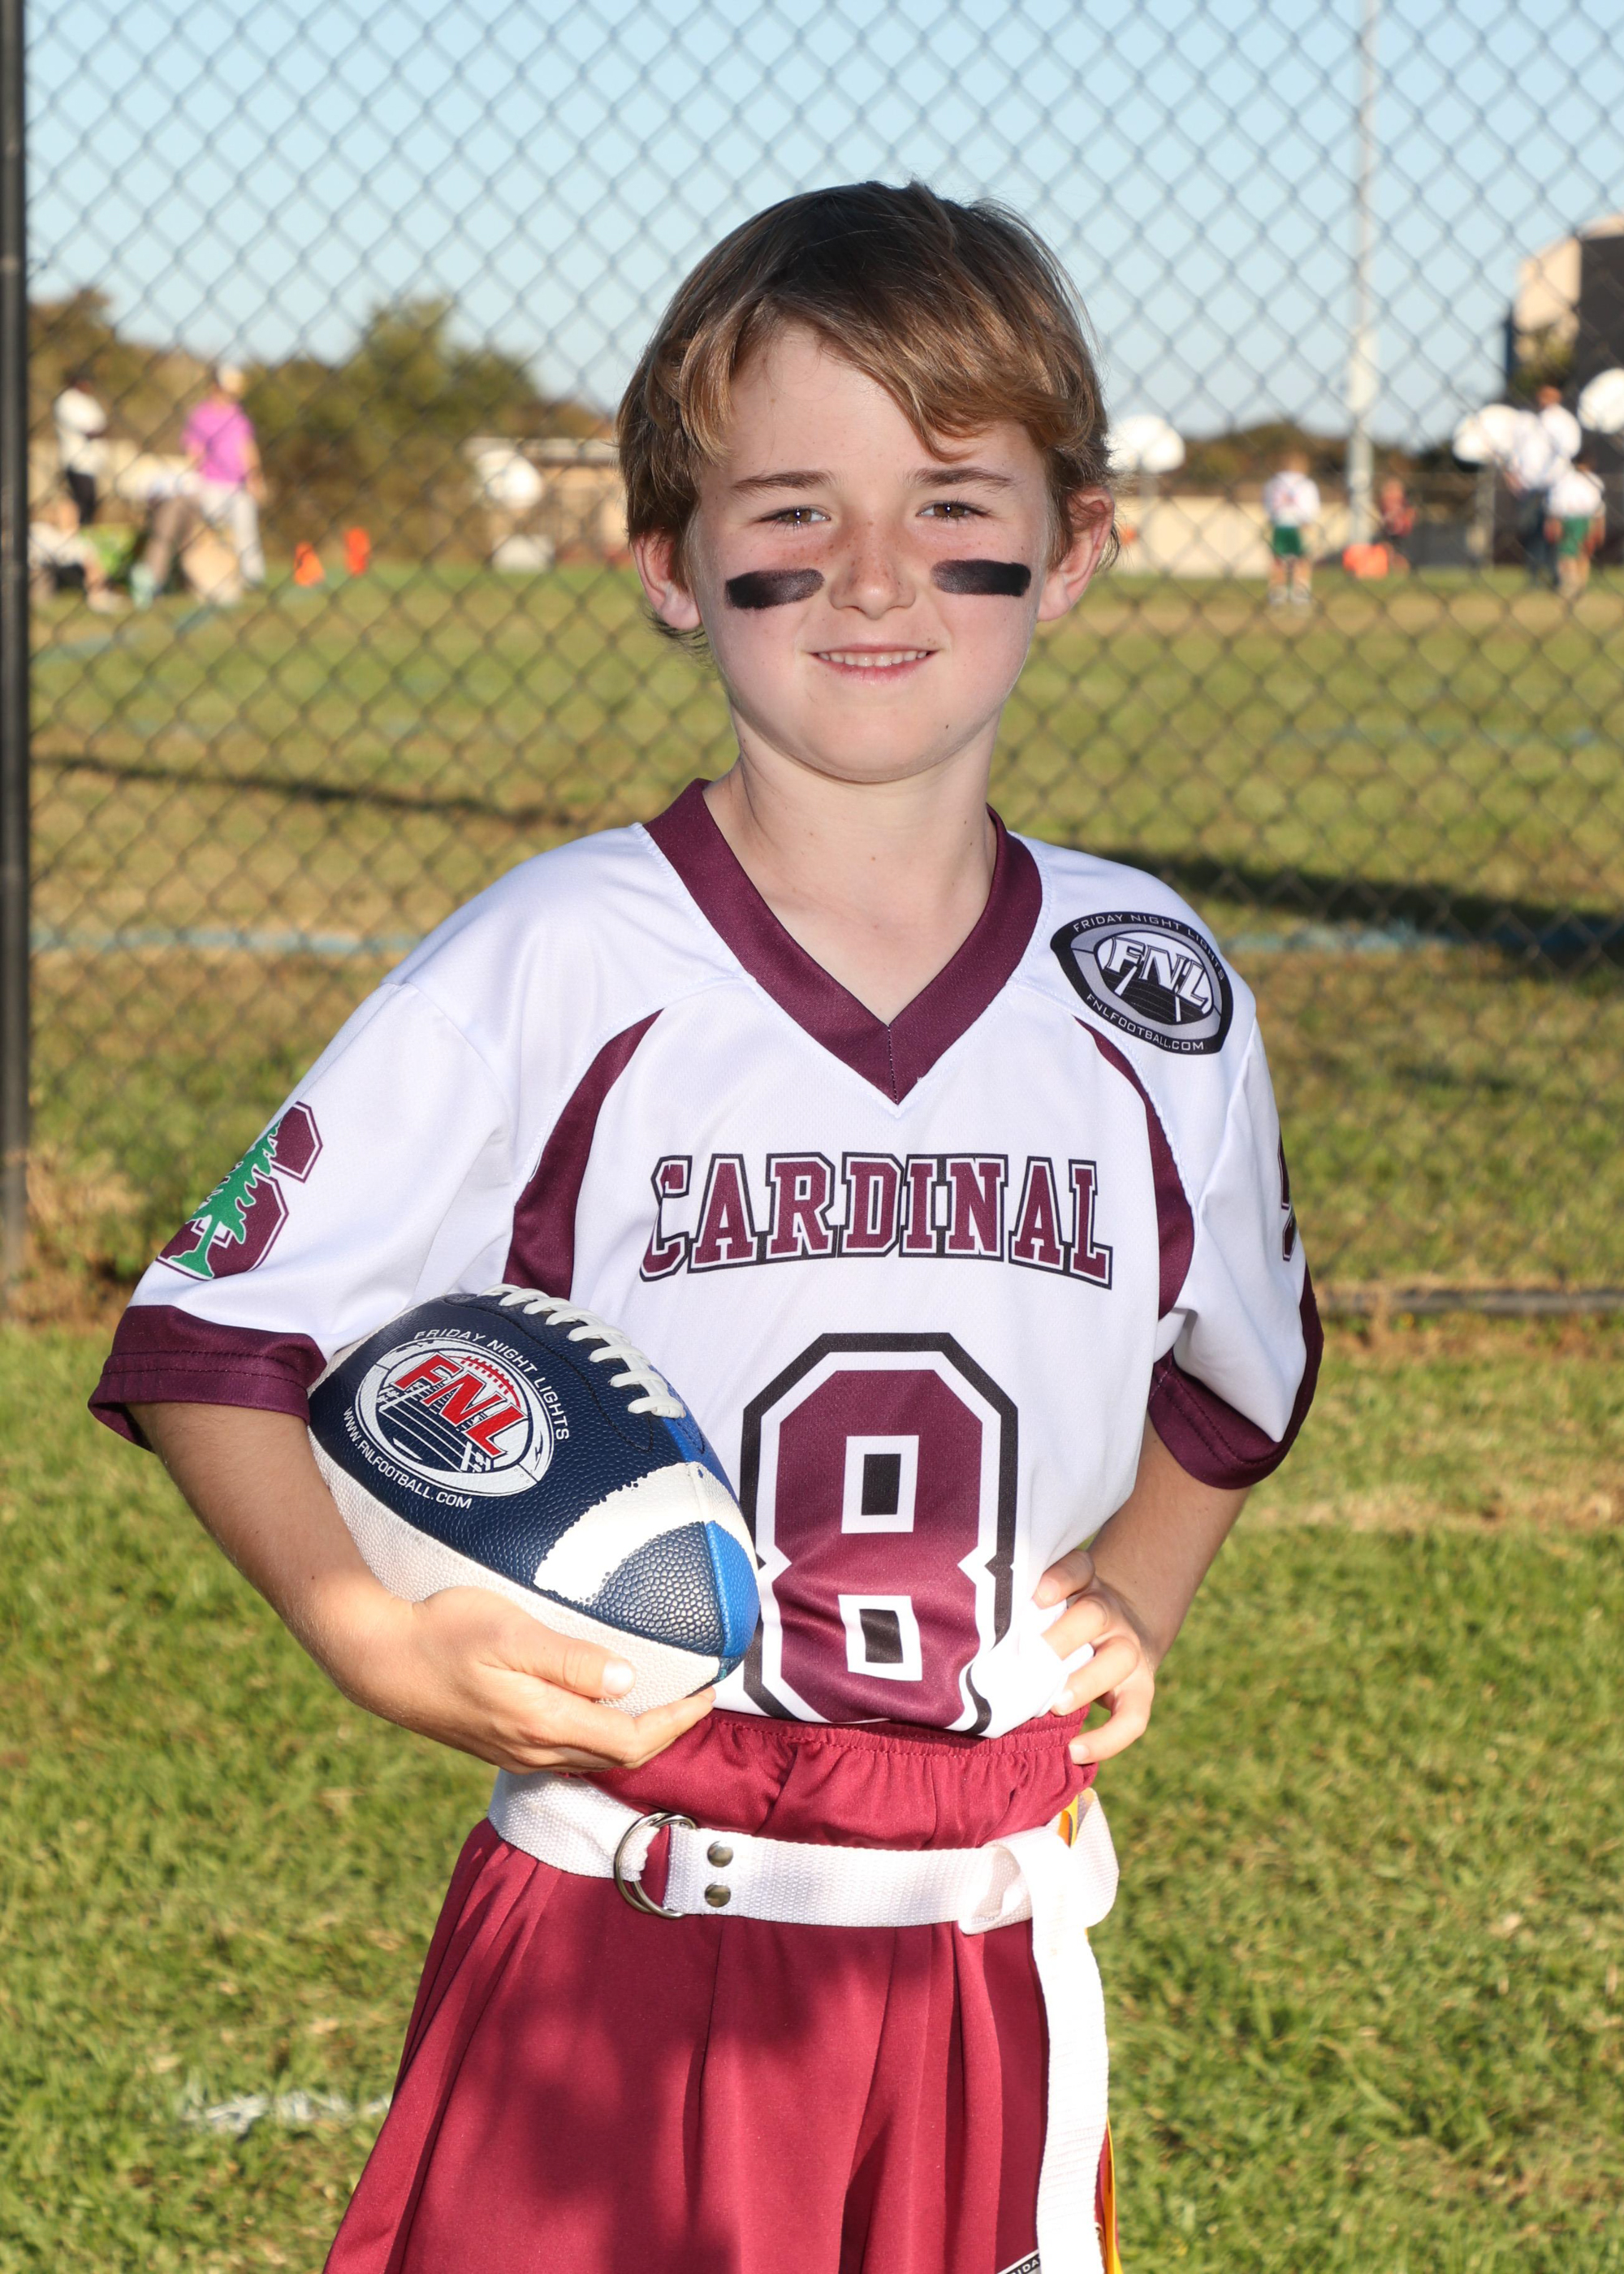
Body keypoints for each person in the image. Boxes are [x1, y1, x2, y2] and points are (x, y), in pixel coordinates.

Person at [90, 183, 1320, 2274]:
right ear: (668, 561)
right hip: (629, 1907)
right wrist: (368, 1631)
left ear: (1075, 545)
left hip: (988, 1935)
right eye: (791, 512)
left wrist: (1142, 1590)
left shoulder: (1148, 984)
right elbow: (218, 1334)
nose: (873, 575)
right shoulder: (559, 956)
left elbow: (1238, 1372)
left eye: (951, 505)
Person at [181, 363, 266, 588]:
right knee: (212, 533)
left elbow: (247, 447)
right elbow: (194, 451)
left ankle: (252, 577)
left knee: (246, 531)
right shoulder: (201, 415)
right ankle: (210, 576)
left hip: (238, 486)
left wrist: (255, 478)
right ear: (215, 387)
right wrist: (194, 477)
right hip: (210, 483)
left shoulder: (238, 416)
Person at [1505, 383, 1580, 590]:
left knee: (1554, 531)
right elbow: (1516, 450)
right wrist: (1513, 474)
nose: (1545, 400)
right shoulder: (1526, 421)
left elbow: (1570, 450)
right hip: (1529, 485)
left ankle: (1556, 575)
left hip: (1556, 484)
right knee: (1531, 529)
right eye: (1542, 396)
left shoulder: (1564, 422)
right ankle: (1534, 576)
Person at [28, 491, 120, 611]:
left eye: (75, 513)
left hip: (69, 565)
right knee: (89, 557)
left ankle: (99, 594)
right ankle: (98, 595)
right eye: (67, 512)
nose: (73, 516)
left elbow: (82, 550)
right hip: (46, 564)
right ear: (53, 513)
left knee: (91, 558)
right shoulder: (41, 529)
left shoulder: (74, 534)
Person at [1260, 449, 1320, 607]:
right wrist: (1308, 521)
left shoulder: (1274, 482)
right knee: (1302, 560)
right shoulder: (1306, 483)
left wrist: (1272, 518)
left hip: (1279, 524)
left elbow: (1267, 503)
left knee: (1278, 560)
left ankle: (1277, 593)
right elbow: (1311, 505)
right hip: (1299, 524)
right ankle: (1300, 593)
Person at [1544, 453, 1605, 600]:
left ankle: (1575, 585)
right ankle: (1576, 585)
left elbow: (1598, 506)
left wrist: (1599, 525)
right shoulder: (1571, 480)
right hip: (1575, 518)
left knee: (1574, 553)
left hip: (1579, 518)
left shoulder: (1572, 479)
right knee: (1574, 553)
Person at [52, 370, 107, 525]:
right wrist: (99, 431)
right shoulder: (66, 400)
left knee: (91, 500)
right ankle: (79, 528)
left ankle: (85, 528)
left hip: (91, 461)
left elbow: (101, 427)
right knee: (83, 498)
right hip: (76, 459)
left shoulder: (88, 400)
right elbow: (89, 429)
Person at [1376, 474, 1415, 571]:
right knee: (1387, 549)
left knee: (1399, 553)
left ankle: (1401, 567)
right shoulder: (1385, 501)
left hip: (1401, 531)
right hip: (1388, 530)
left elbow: (1411, 513)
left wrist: (1406, 521)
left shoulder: (1402, 501)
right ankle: (1391, 566)